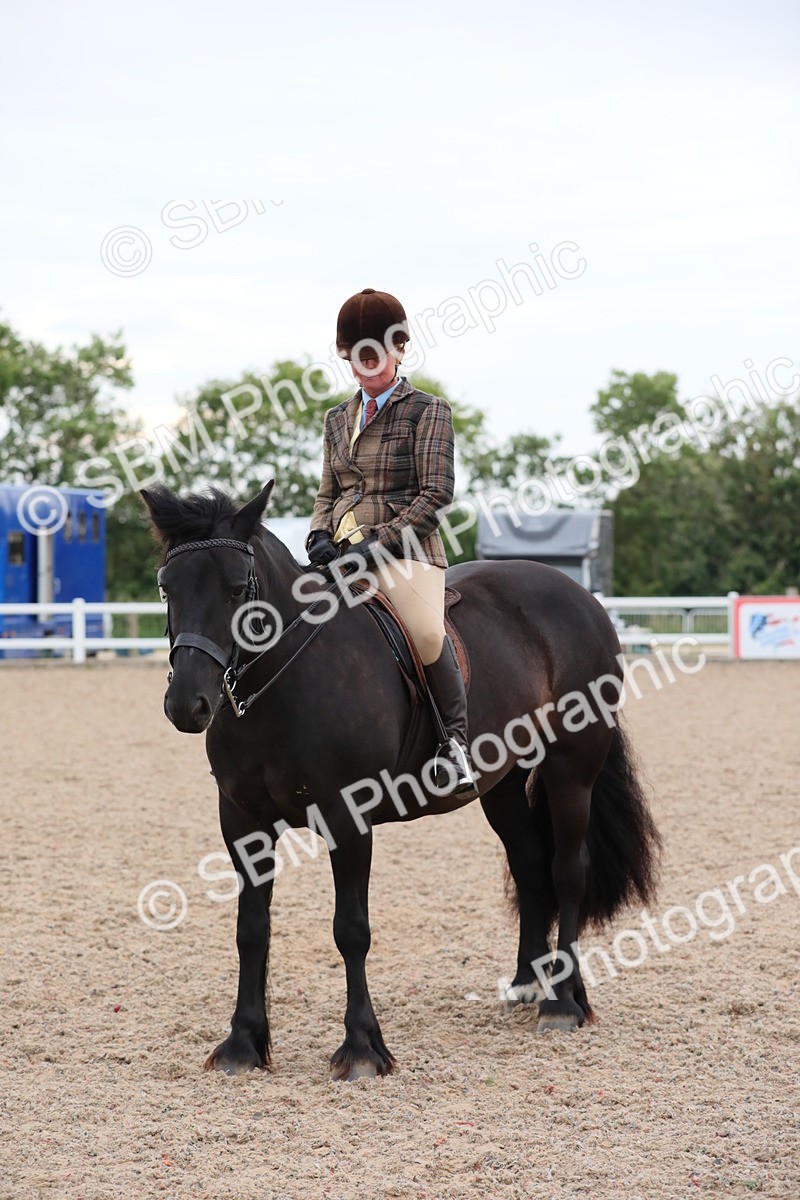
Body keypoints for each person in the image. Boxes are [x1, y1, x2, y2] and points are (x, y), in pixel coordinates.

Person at [306, 287, 478, 799]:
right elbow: (327, 489)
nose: (367, 365)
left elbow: (436, 494)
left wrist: (378, 543)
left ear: (399, 349)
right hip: (341, 552)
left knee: (426, 633)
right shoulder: (337, 418)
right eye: (358, 356)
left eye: (377, 354)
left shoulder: (427, 410)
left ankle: (456, 746)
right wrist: (317, 533)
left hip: (408, 553)